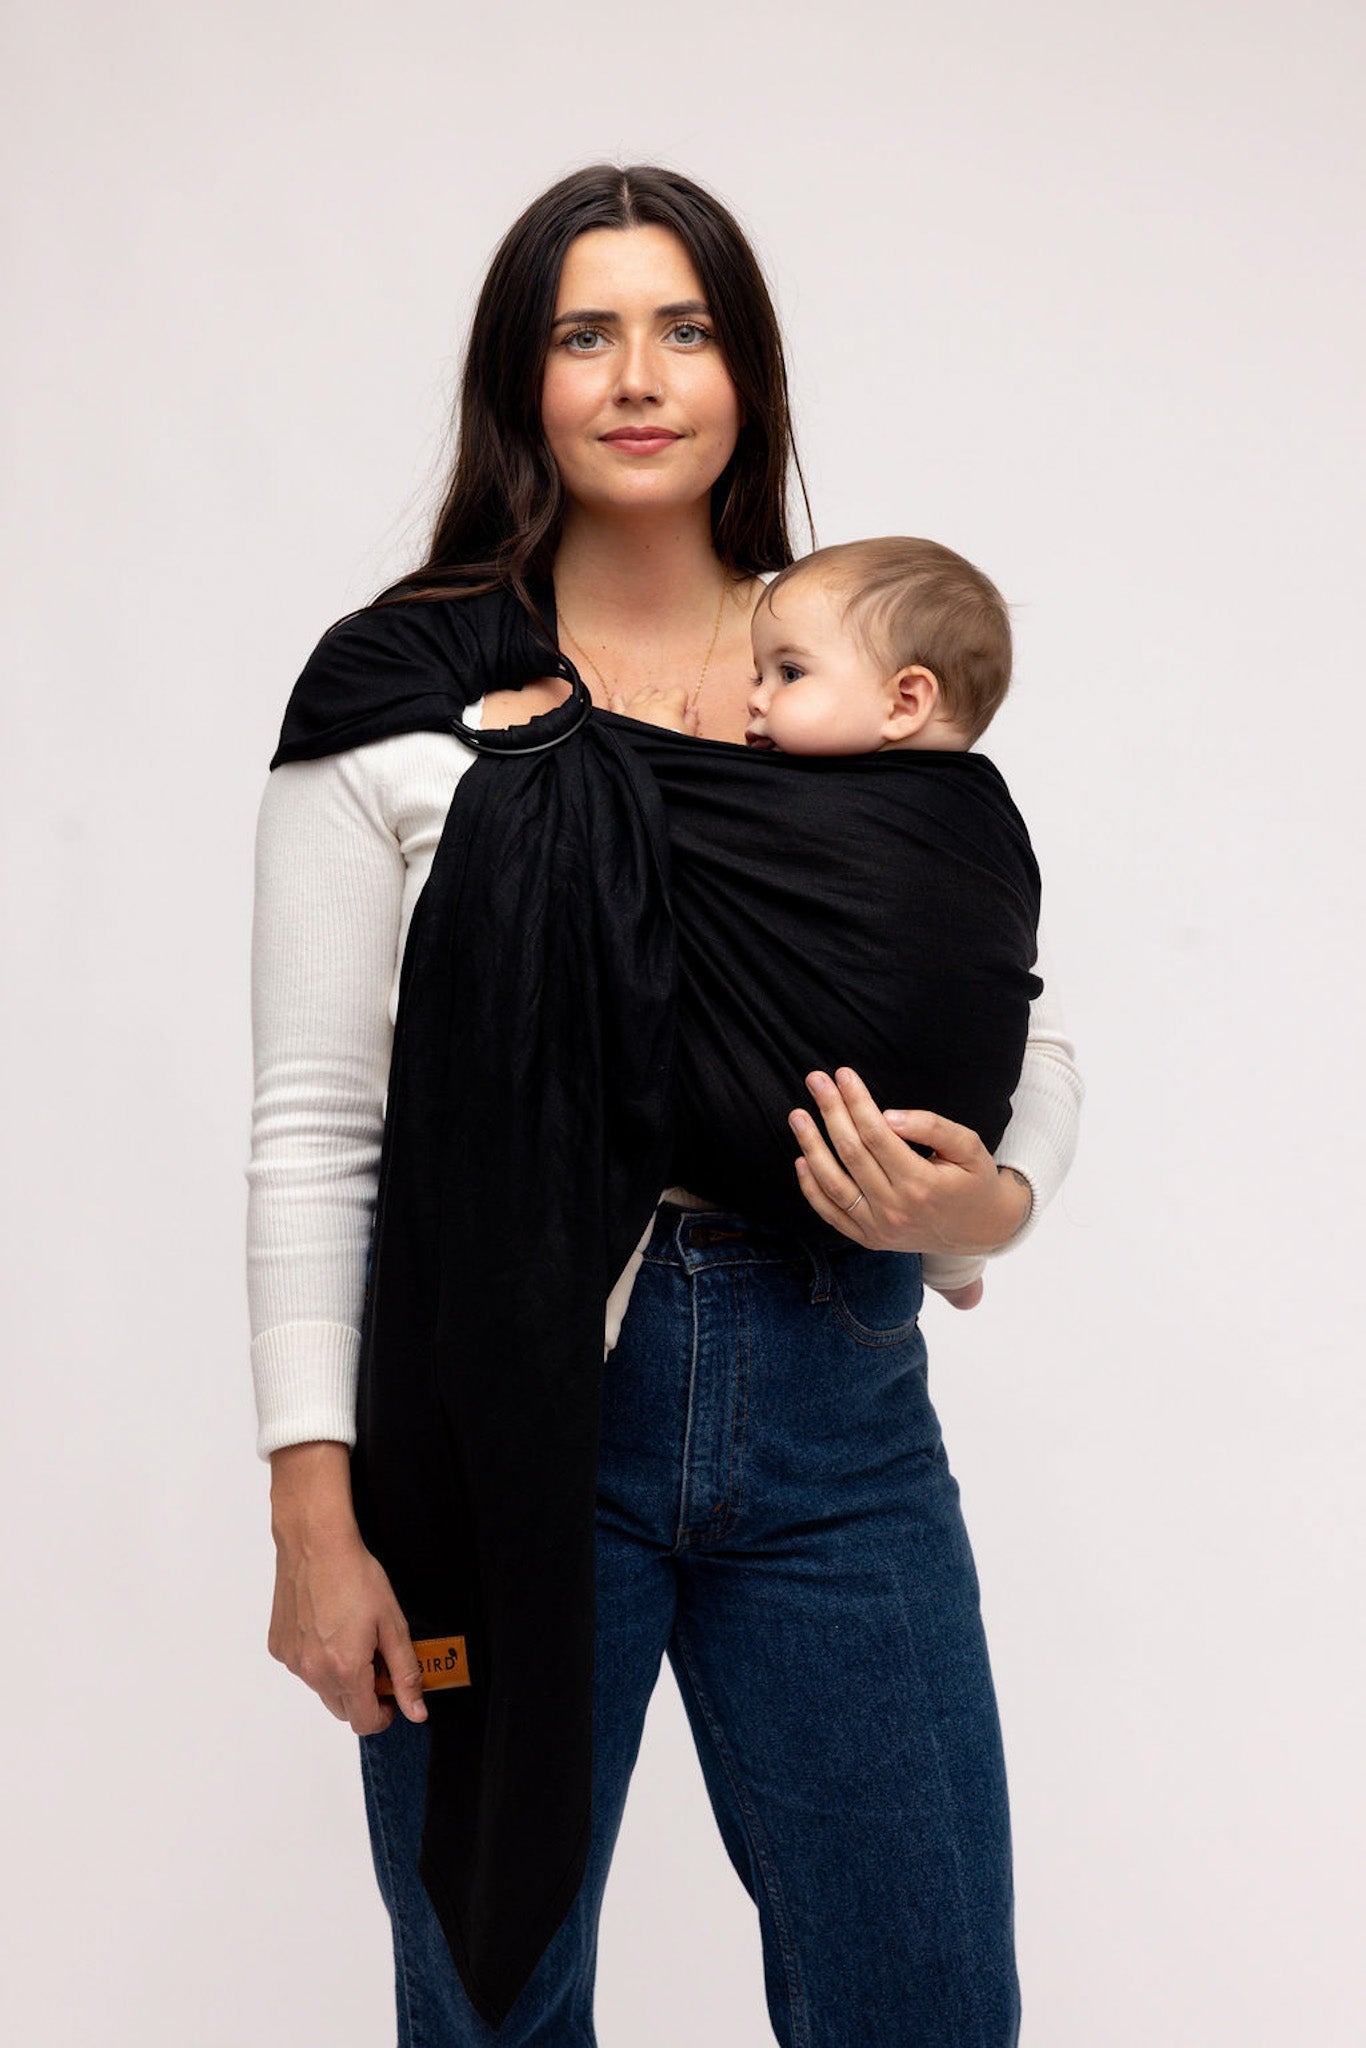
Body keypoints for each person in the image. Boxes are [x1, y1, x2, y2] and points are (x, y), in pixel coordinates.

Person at [249, 163, 1083, 2047]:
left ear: (744, 370)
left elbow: (996, 1019)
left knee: (925, 2001)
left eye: (687, 326)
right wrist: (313, 1507)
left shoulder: (853, 673)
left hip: (836, 1412)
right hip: (507, 1416)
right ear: (520, 379)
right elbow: (315, 1121)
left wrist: (986, 1211)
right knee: (495, 2003)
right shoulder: (404, 696)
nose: (640, 375)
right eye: (585, 331)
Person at [599, 530, 1033, 1340]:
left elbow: (629, 787)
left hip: (806, 1167)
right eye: (758, 672)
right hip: (920, 1176)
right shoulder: (989, 815)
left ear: (905, 701)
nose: (756, 698)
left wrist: (651, 742)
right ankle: (953, 1265)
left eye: (789, 674)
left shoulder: (801, 806)